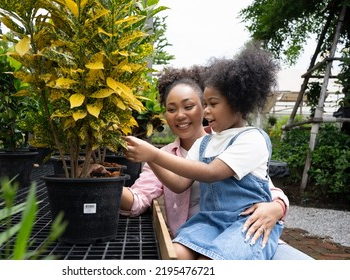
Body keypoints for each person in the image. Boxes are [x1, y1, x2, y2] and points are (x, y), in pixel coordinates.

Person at [122, 43, 299, 260]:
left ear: (238, 104)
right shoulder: (203, 145)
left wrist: (278, 207)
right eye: (171, 109)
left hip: (242, 223)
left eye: (210, 104)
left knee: (210, 260)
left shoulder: (251, 139)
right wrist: (150, 158)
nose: (206, 110)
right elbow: (178, 184)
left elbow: (213, 172)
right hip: (209, 223)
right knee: (175, 255)